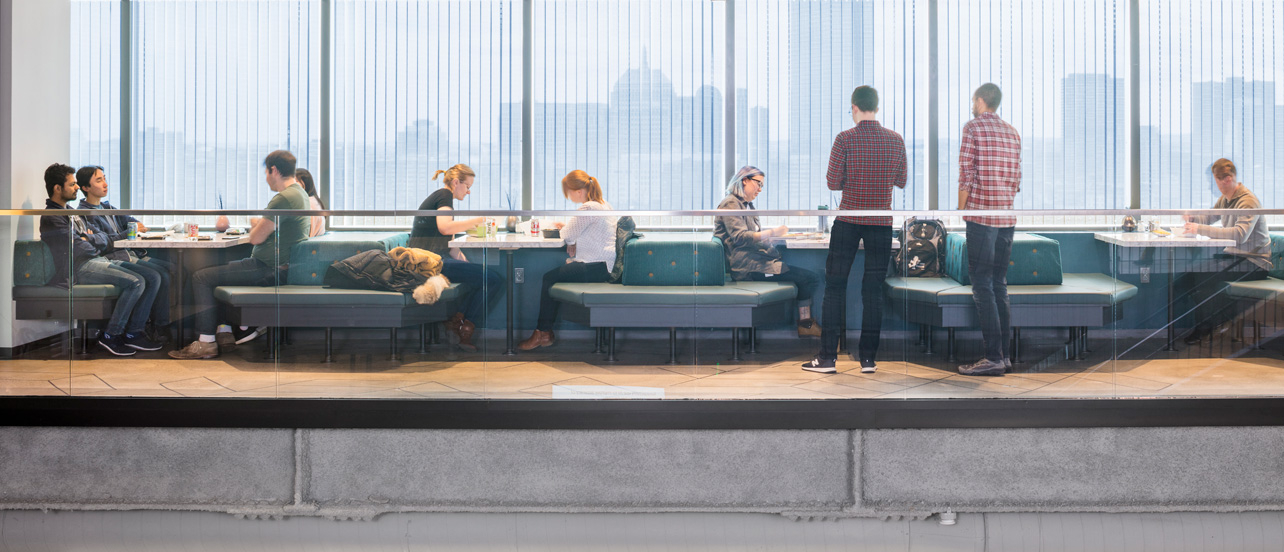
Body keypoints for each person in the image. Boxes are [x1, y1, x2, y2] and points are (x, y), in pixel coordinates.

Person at [801, 85, 907, 375]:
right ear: (877, 106)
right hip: (881, 223)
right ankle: (868, 360)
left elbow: (833, 183)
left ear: (854, 107)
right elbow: (901, 180)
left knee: (834, 288)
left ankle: (826, 359)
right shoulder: (896, 140)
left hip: (848, 220)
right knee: (872, 292)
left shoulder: (845, 138)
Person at [169, 150, 312, 359]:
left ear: (274, 170)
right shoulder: (299, 194)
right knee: (223, 271)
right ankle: (222, 331)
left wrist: (256, 224)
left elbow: (256, 238)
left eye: (266, 172)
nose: (266, 178)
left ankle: (206, 343)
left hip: (270, 268)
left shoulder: (283, 198)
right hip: (282, 265)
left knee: (201, 277)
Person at [39, 163, 163, 356]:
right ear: (57, 188)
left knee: (151, 277)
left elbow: (99, 240)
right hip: (80, 268)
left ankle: (133, 333)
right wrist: (89, 241)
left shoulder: (70, 213)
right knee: (136, 282)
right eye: (72, 184)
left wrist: (89, 239)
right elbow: (79, 248)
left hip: (97, 260)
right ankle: (111, 336)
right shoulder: (52, 217)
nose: (77, 187)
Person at [956, 83, 1023, 377]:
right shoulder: (1012, 132)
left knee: (982, 286)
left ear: (981, 100)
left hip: (982, 218)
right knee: (999, 285)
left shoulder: (972, 128)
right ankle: (1004, 357)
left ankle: (993, 357)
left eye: (973, 99)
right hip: (1006, 218)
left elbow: (966, 173)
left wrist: (962, 209)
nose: (972, 104)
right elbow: (1017, 179)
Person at [714, 166, 822, 338]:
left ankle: (806, 324)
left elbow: (751, 237)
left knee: (808, 278)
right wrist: (773, 233)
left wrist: (770, 237)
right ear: (744, 180)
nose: (759, 189)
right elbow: (740, 237)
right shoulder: (731, 203)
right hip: (747, 268)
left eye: (762, 186)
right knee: (808, 278)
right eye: (758, 184)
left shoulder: (746, 205)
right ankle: (806, 324)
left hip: (755, 262)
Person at [518, 170, 619, 350]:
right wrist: (572, 237)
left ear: (578, 191)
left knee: (548, 278)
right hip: (605, 266)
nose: (569, 197)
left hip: (595, 266)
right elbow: (586, 232)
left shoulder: (587, 208)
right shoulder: (604, 205)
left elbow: (567, 235)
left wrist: (570, 237)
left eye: (568, 193)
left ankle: (542, 333)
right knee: (552, 277)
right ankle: (544, 333)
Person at [409, 164, 503, 352]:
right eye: (467, 186)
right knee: (493, 279)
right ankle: (463, 329)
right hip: (430, 262)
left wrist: (465, 264)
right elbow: (446, 227)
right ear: (455, 182)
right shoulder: (444, 196)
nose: (468, 192)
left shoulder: (442, 198)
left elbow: (450, 244)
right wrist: (479, 219)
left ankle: (456, 324)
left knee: (481, 278)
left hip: (435, 259)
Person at [75, 165, 175, 342]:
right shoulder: (85, 214)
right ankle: (147, 327)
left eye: (104, 178)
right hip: (114, 257)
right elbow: (104, 242)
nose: (105, 184)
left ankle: (156, 323)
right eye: (99, 180)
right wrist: (128, 232)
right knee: (155, 277)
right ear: (85, 188)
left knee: (173, 270)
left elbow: (130, 221)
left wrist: (133, 227)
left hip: (128, 253)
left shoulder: (107, 207)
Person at [1179, 158, 1273, 345]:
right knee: (1188, 278)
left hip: (1254, 263)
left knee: (1202, 277)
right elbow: (1209, 218)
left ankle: (1210, 325)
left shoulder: (1248, 202)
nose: (1218, 184)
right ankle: (1218, 320)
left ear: (1229, 179)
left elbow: (1239, 235)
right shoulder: (1225, 199)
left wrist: (1198, 228)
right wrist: (1192, 218)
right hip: (1235, 258)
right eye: (1216, 179)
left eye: (1219, 179)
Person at [295, 168, 326, 237]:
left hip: (309, 244)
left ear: (305, 183)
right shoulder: (314, 200)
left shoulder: (307, 203)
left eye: (296, 182)